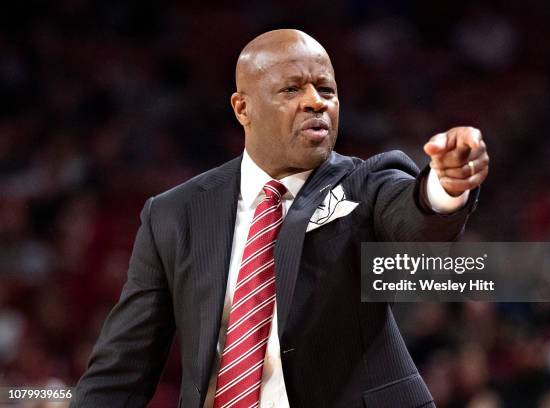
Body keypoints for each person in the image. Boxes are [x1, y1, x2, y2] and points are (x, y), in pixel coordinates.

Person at [71, 29, 489, 408]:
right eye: (291, 89)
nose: (315, 101)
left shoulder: (367, 182)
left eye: (326, 89)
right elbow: (123, 366)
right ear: (242, 107)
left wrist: (445, 187)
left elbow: (412, 217)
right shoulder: (174, 214)